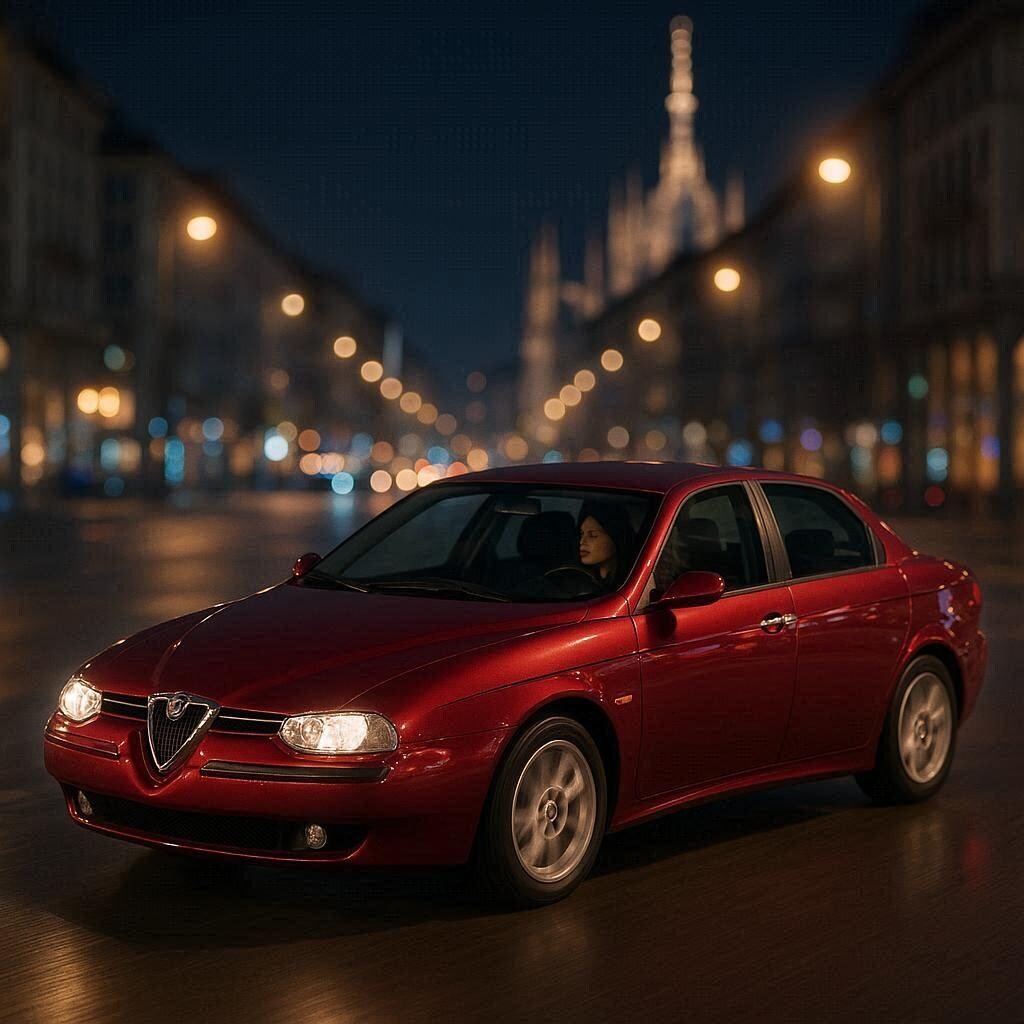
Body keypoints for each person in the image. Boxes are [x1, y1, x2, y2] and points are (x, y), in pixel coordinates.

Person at [577, 501, 636, 588]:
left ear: (615, 538)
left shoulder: (632, 583)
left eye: (593, 535)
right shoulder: (576, 580)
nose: (582, 541)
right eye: (582, 534)